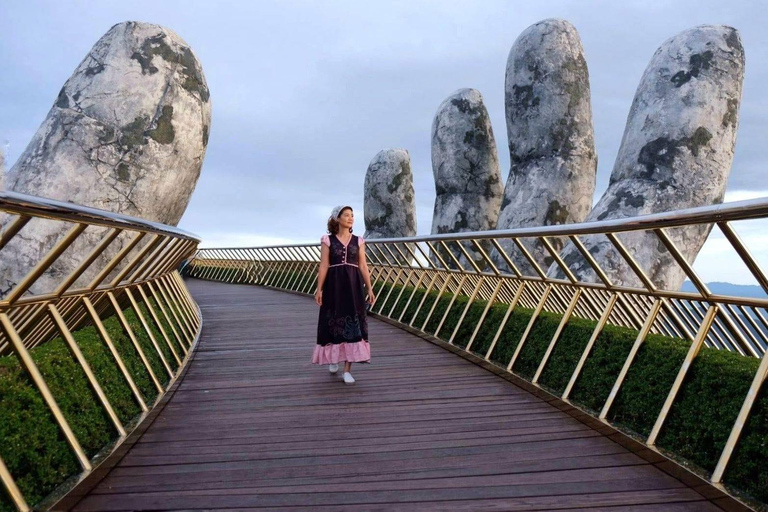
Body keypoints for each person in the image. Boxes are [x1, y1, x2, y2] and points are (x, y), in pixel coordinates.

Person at [311, 205, 376, 384]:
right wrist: (319, 289)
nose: (350, 218)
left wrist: (369, 288)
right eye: (346, 215)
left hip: (354, 286)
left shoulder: (359, 241)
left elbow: (363, 266)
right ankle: (333, 359)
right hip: (334, 286)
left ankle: (347, 370)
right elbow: (323, 265)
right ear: (337, 219)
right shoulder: (327, 240)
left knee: (353, 324)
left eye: (352, 215)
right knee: (332, 321)